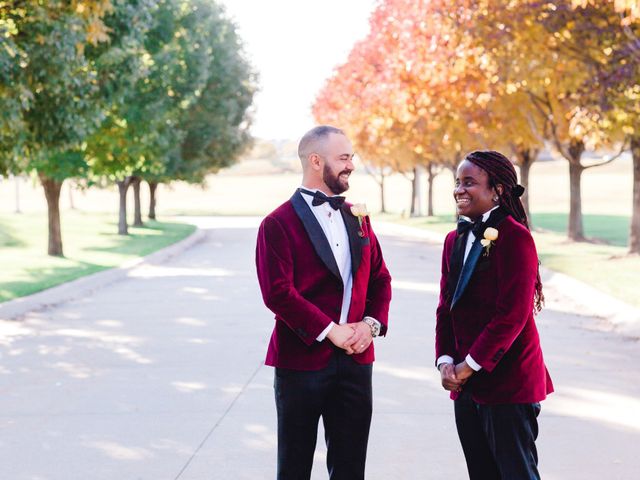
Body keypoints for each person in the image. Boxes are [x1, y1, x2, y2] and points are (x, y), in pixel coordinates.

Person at [255, 125, 392, 480]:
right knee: (295, 467)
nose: (351, 165)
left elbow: (380, 278)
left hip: (356, 362)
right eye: (343, 157)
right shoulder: (276, 223)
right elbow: (277, 293)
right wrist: (330, 331)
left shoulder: (358, 216)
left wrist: (369, 325)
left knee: (350, 468)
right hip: (300, 362)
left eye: (351, 157)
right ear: (316, 161)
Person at [435, 150, 554, 480]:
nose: (459, 189)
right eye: (457, 182)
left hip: (509, 384)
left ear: (498, 190)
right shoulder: (453, 240)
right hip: (464, 384)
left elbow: (511, 317)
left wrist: (467, 366)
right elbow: (446, 307)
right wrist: (445, 360)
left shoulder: (516, 237)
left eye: (469, 182)